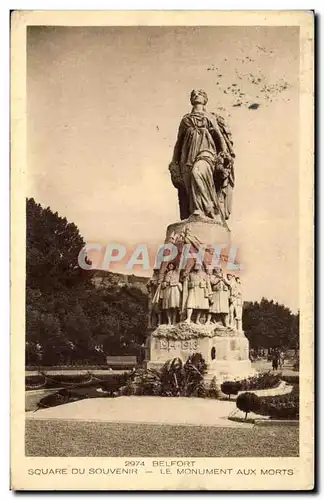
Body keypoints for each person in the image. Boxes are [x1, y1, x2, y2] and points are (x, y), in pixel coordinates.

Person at [169, 89, 235, 222]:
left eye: (200, 94)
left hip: (206, 152)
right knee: (189, 187)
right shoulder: (185, 120)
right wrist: (174, 162)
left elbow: (218, 135)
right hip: (187, 157)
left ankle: (209, 208)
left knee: (197, 173)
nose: (197, 95)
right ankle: (197, 211)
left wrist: (224, 153)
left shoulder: (209, 117)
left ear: (205, 99)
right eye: (194, 94)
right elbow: (178, 143)